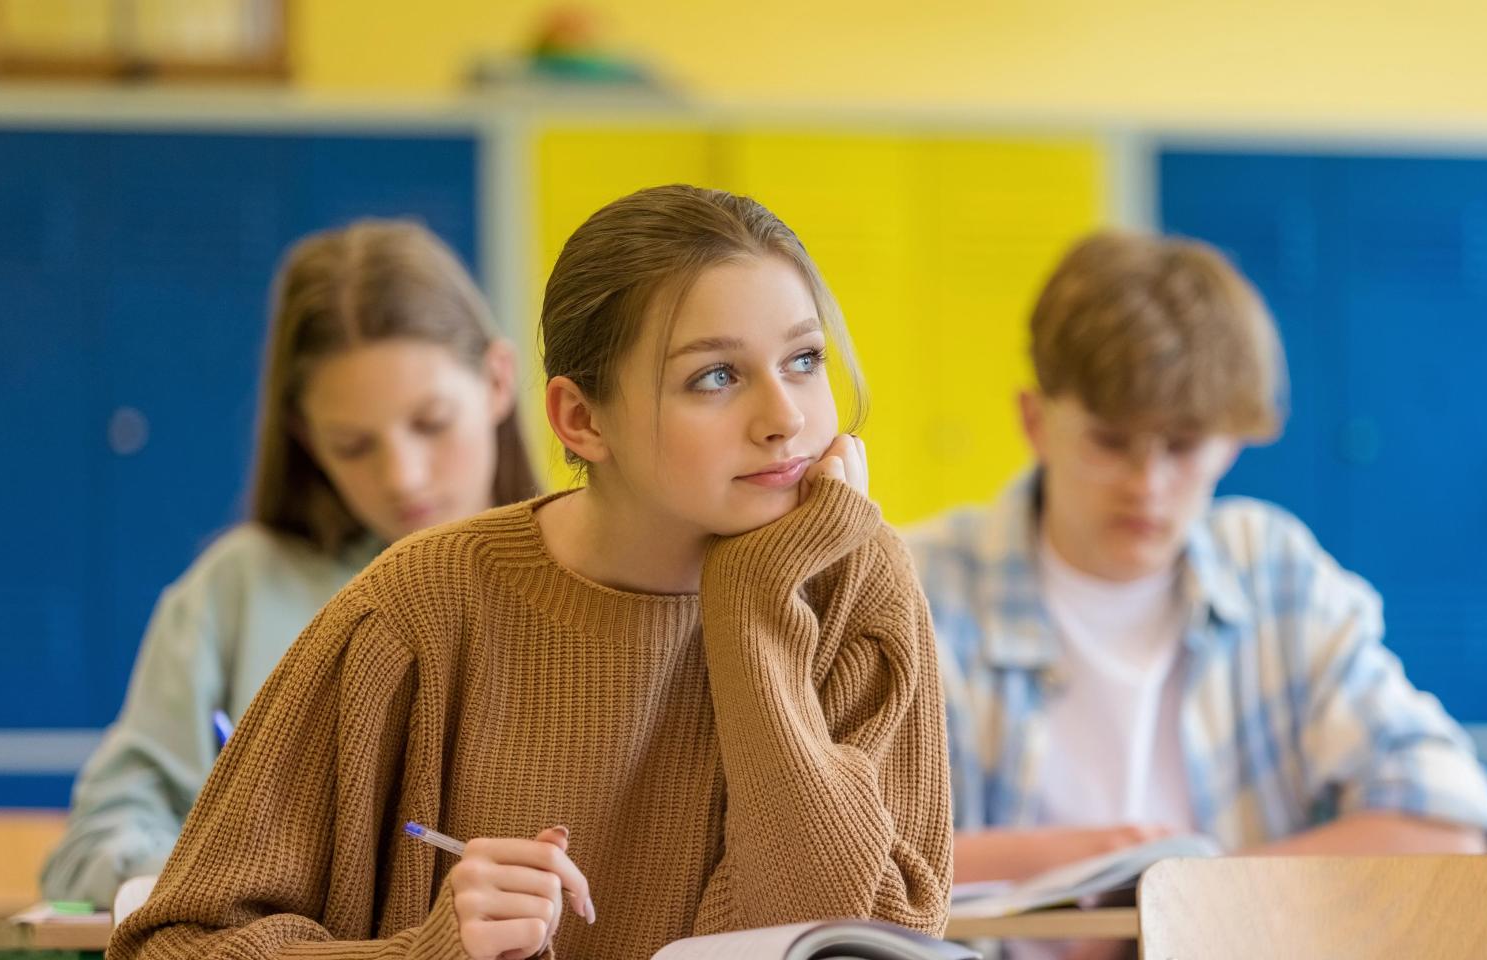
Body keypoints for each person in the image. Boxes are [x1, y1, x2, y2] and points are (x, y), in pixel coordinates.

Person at [109, 185, 952, 960]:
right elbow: (172, 944)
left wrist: (758, 611)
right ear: (581, 420)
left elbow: (857, 939)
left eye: (804, 360)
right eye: (716, 377)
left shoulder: (856, 585)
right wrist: (430, 953)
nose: (785, 419)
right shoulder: (417, 609)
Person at [910, 230, 1487, 894]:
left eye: (1184, 446)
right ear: (1035, 422)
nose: (1148, 484)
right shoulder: (913, 587)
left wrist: (1186, 894)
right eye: (1110, 442)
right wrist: (1053, 862)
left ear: (1231, 446)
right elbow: (816, 866)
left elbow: (1453, 820)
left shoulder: (1277, 576)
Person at [42, 220, 538, 907]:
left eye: (431, 424)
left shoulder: (596, 577)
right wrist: (216, 885)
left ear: (497, 380)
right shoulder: (239, 589)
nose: (403, 477)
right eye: (353, 444)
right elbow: (95, 844)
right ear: (307, 437)